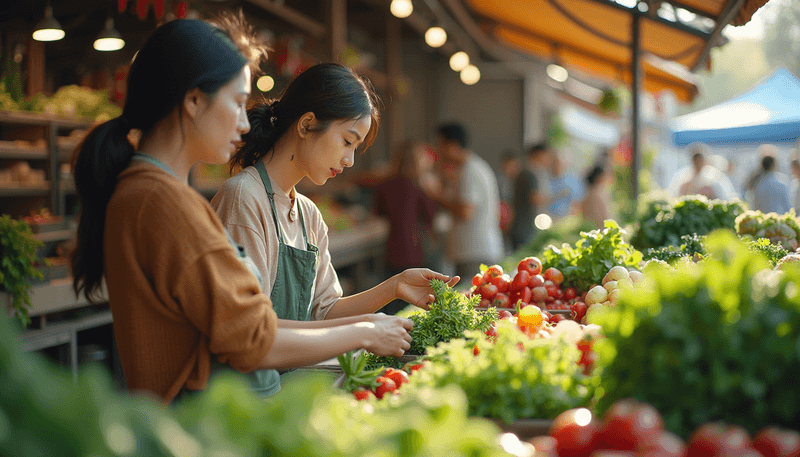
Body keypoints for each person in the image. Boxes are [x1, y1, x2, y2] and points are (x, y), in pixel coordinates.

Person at [70, 17, 413, 405]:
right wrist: (366, 331)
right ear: (194, 100)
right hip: (197, 427)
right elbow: (254, 339)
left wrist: (374, 317)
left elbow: (262, 326)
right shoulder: (167, 204)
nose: (243, 121)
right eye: (235, 102)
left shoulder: (145, 192)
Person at [211, 63, 457, 329]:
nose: (349, 160)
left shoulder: (308, 213)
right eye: (347, 142)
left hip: (300, 372)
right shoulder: (243, 198)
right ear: (306, 125)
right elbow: (250, 331)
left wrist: (394, 287)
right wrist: (362, 333)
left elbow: (325, 311)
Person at [430, 123, 503, 280]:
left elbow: (465, 211)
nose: (438, 151)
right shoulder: (469, 168)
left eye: (440, 145)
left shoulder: (469, 170)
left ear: (452, 145)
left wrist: (437, 197)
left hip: (474, 254)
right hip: (473, 252)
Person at [374, 141, 440, 313]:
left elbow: (379, 212)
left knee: (393, 298)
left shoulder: (385, 184)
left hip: (392, 249)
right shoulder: (418, 185)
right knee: (413, 303)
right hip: (415, 248)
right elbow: (430, 215)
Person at [510, 142, 552, 250]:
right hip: (524, 227)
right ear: (538, 154)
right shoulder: (529, 173)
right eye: (546, 155)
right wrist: (557, 196)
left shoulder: (527, 172)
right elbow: (535, 199)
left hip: (522, 225)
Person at [548, 150, 584, 220]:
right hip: (545, 216)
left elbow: (578, 202)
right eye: (555, 162)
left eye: (560, 163)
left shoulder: (573, 179)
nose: (557, 165)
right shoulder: (545, 176)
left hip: (565, 218)